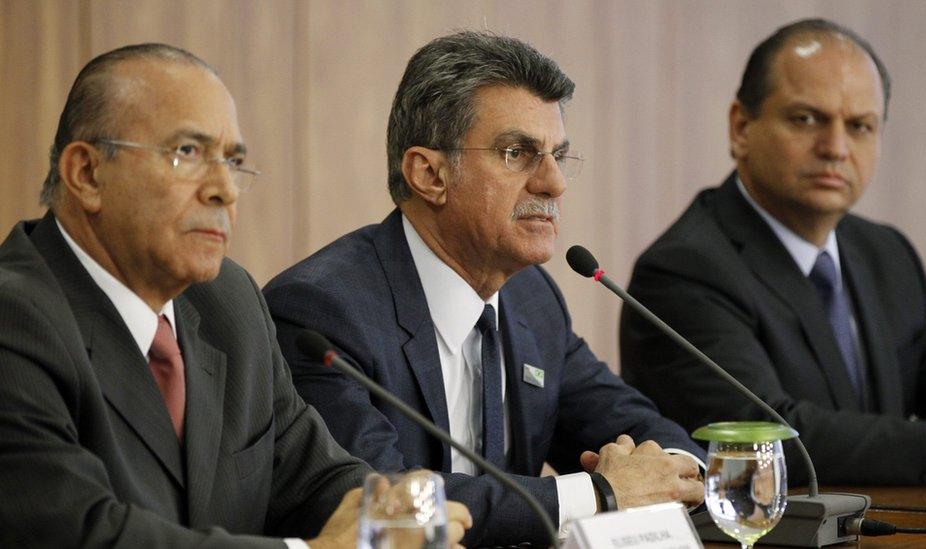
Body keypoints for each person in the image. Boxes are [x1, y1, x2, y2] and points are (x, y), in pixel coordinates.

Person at [0, 43, 470, 548]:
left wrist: (395, 512)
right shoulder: (16, 320)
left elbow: (314, 480)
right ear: (88, 174)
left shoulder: (227, 300)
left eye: (233, 160)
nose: (224, 188)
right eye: (188, 153)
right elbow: (78, 532)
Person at [264, 31, 705, 548]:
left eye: (558, 155)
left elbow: (635, 422)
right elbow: (381, 500)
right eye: (517, 153)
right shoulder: (322, 311)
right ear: (429, 174)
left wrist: (668, 469)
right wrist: (600, 494)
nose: (554, 184)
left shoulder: (532, 299)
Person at [620, 18, 926, 487]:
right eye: (807, 119)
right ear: (742, 127)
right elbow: (775, 440)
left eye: (860, 126)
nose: (835, 148)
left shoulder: (886, 254)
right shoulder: (685, 271)